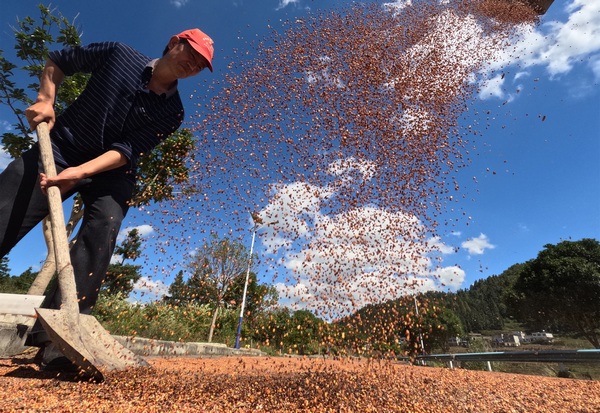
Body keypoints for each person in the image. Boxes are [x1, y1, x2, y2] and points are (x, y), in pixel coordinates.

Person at [0, 28, 214, 371]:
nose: (195, 64)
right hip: (62, 145)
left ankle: (58, 342)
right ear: (174, 43)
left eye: (202, 64)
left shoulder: (173, 113)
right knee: (6, 208)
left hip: (112, 171)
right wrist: (45, 98)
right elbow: (60, 60)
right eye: (192, 53)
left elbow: (127, 151)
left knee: (105, 224)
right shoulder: (119, 54)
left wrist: (79, 173)